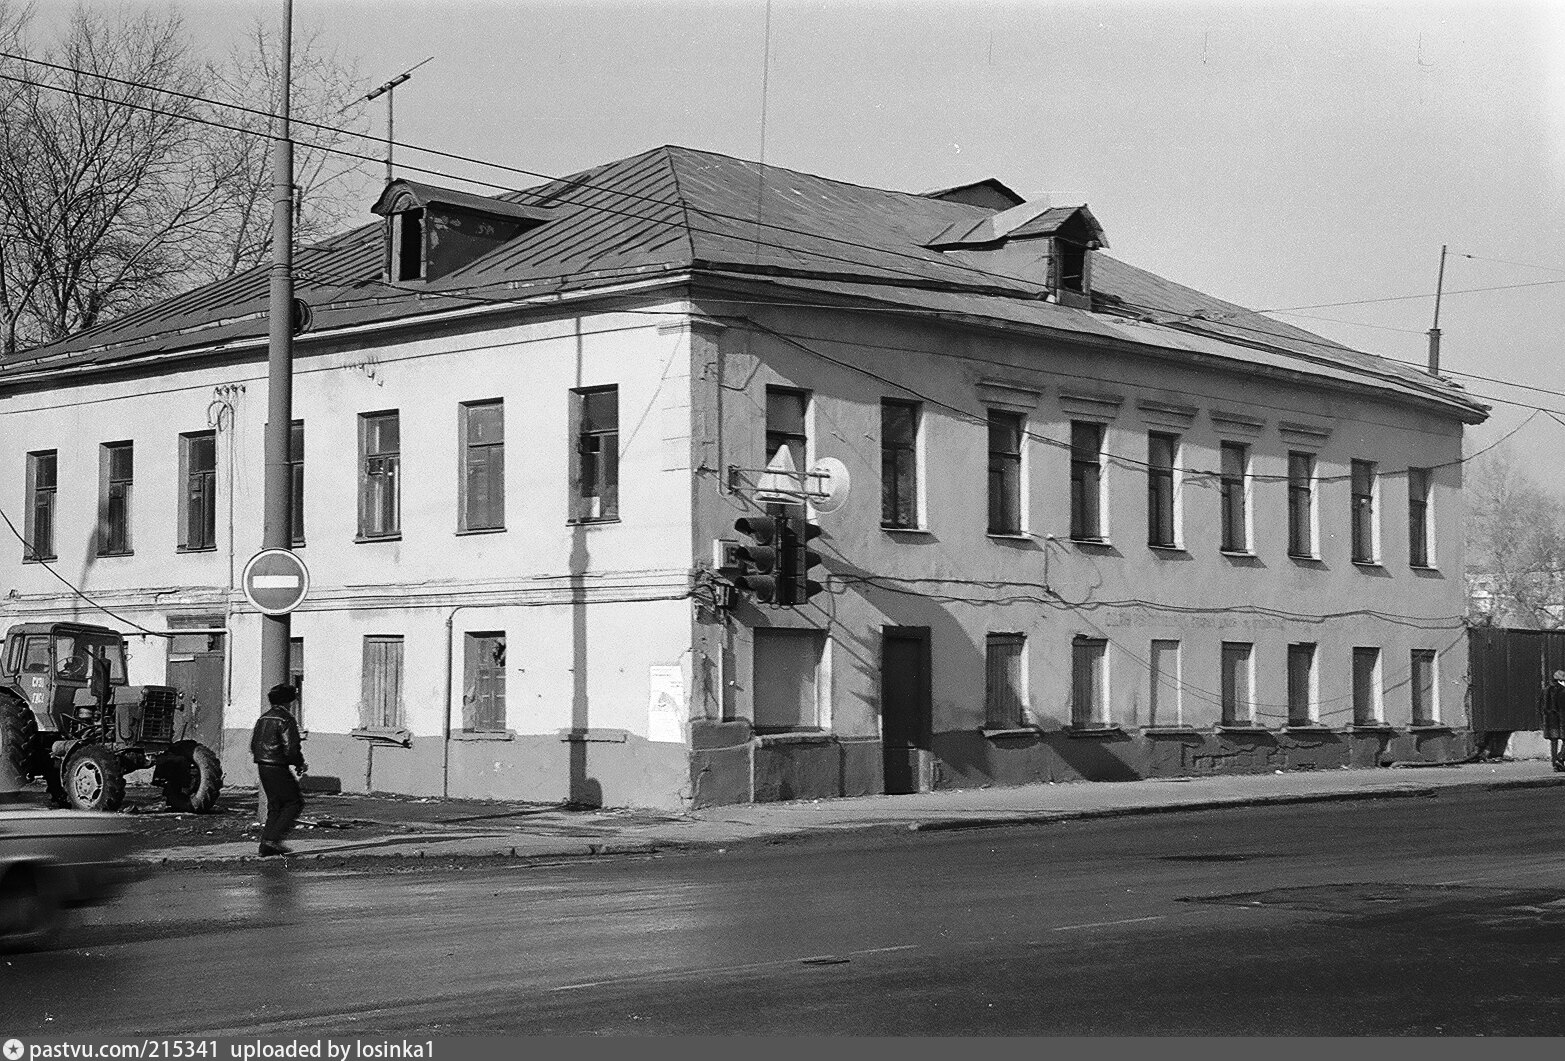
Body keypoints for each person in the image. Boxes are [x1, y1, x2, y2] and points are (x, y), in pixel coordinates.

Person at [251, 683, 307, 856]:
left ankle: (266, 846)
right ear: (288, 701)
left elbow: (254, 744)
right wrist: (299, 763)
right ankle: (273, 839)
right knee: (294, 803)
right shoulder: (286, 718)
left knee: (275, 806)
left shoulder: (263, 718)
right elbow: (291, 748)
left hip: (263, 765)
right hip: (277, 766)